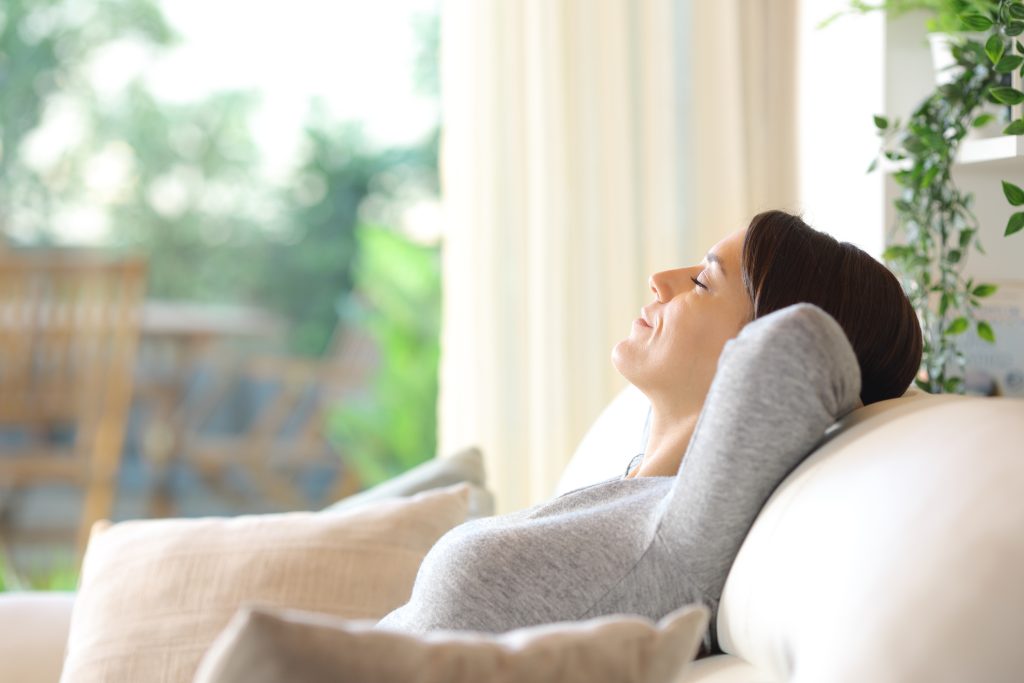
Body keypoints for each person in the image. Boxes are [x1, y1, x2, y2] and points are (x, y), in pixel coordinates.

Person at [375, 209, 923, 658]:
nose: (660, 280)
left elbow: (803, 344)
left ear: (751, 349)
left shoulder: (677, 539)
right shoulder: (630, 490)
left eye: (702, 282)